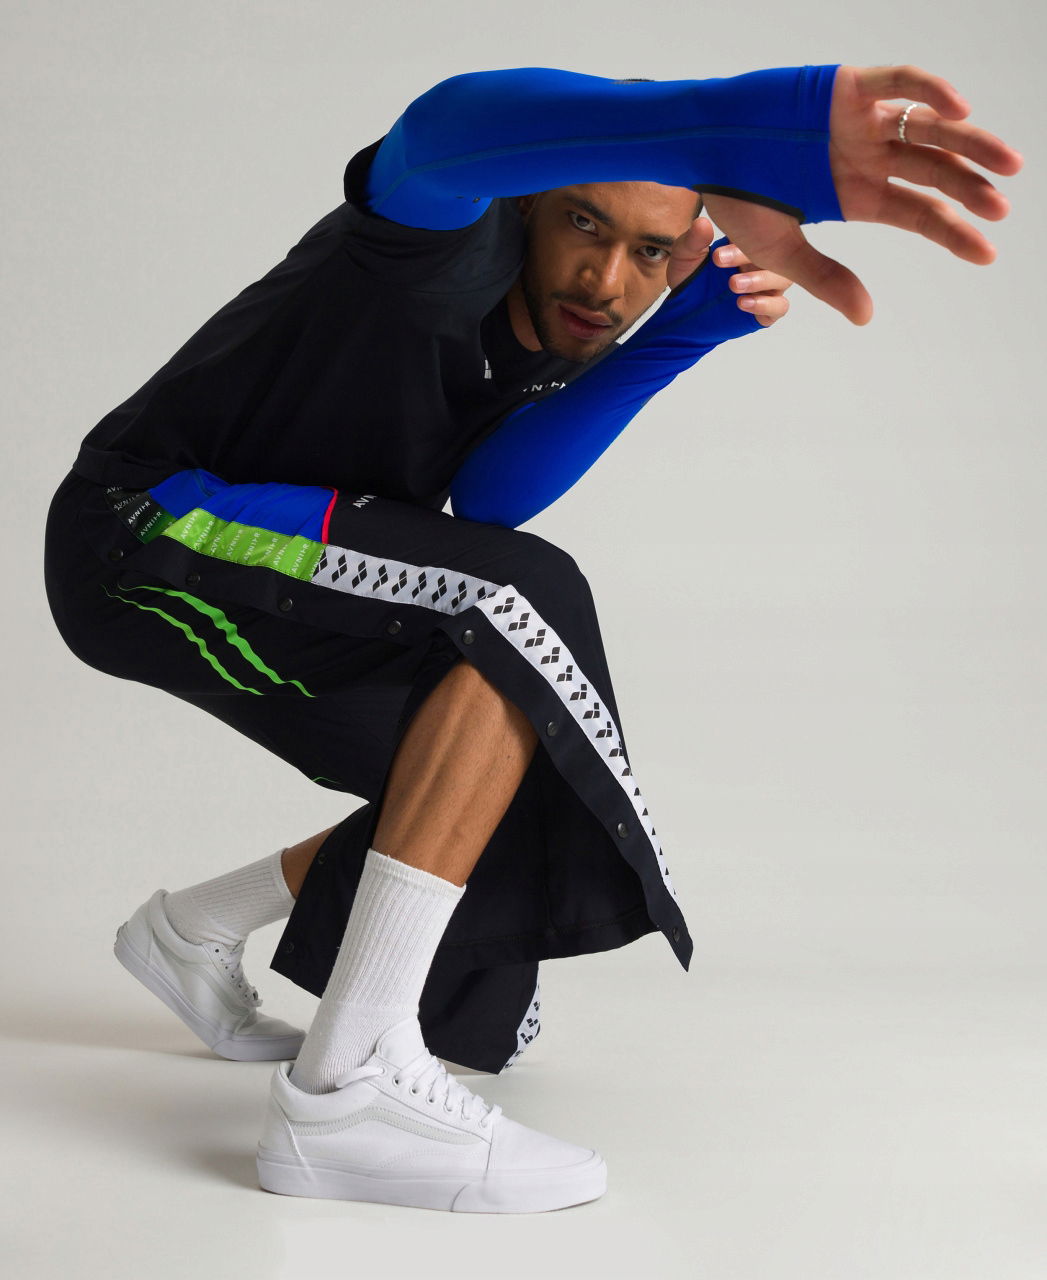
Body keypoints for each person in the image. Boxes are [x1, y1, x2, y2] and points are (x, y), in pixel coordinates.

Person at [43, 62, 1021, 1214]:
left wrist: (677, 336)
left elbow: (492, 498)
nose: (607, 279)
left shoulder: (575, 324)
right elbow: (438, 128)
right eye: (584, 225)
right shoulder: (437, 247)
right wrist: (744, 125)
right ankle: (346, 1085)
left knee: (517, 762)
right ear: (528, 199)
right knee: (525, 603)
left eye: (650, 251)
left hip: (276, 570)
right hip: (142, 527)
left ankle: (195, 929)